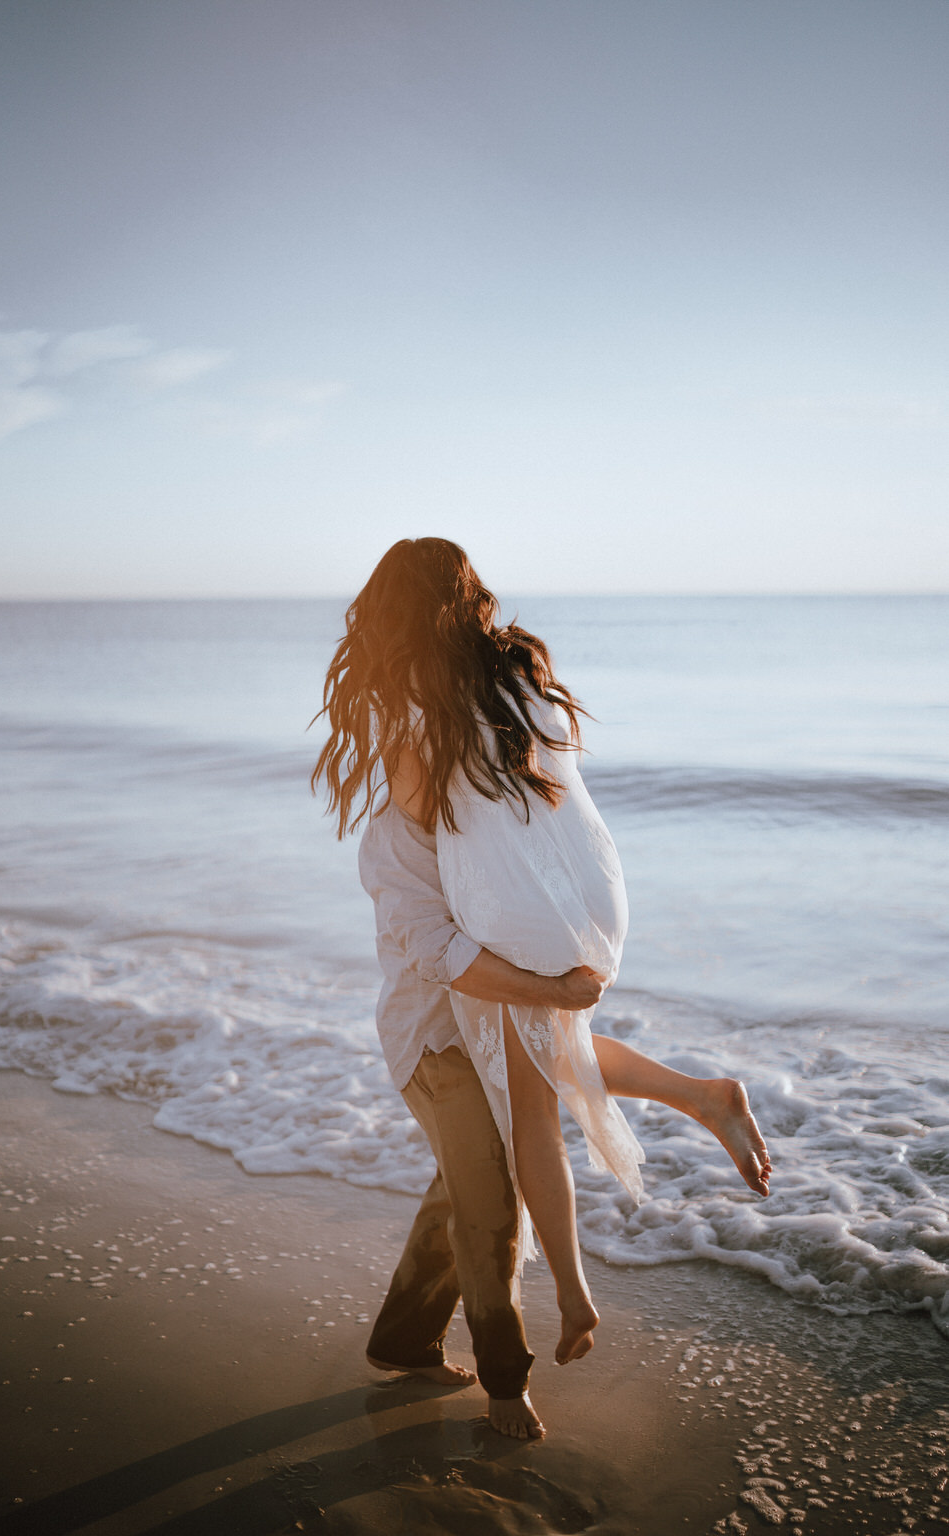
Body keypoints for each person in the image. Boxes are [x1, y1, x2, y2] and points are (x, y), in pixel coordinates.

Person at [313, 537, 772, 1439]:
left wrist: (549, 982)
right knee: (488, 1195)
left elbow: (531, 800)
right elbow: (445, 961)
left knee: (470, 1180)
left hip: (499, 998)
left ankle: (404, 1341)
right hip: (434, 1037)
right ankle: (504, 1379)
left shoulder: (476, 772)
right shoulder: (397, 852)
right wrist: (545, 984)